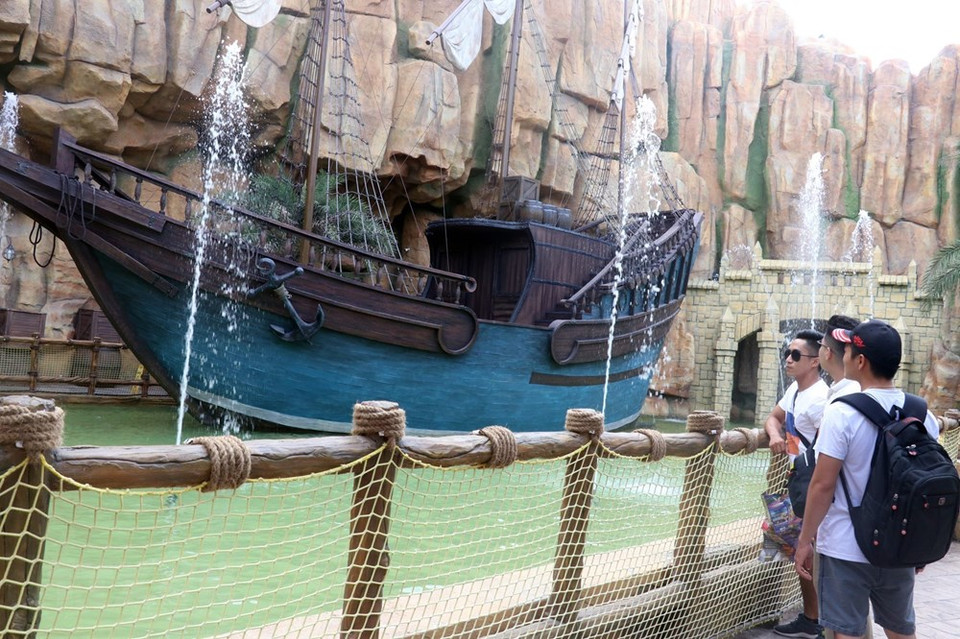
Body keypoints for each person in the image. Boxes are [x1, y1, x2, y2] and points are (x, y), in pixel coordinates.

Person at [794, 320, 940, 639]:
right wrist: (921, 542)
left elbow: (823, 484)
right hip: (898, 543)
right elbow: (926, 481)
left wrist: (805, 540)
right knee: (901, 630)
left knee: (847, 632)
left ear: (860, 361)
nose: (843, 356)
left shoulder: (842, 413)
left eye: (848, 351)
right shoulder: (921, 413)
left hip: (846, 546)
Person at [766, 329, 829, 639]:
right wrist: (775, 436)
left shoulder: (822, 399)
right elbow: (772, 418)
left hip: (813, 484)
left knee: (813, 551)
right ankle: (812, 617)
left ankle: (823, 621)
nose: (788, 360)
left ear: (815, 361)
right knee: (798, 548)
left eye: (795, 355)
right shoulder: (794, 390)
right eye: (786, 354)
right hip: (798, 483)